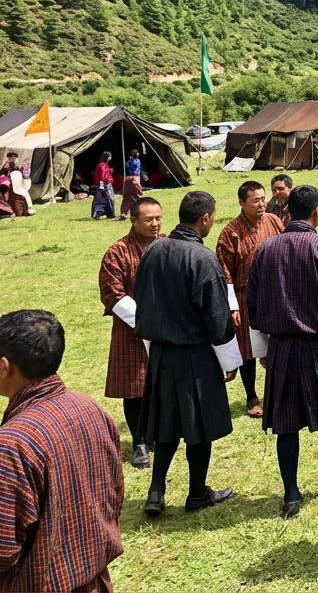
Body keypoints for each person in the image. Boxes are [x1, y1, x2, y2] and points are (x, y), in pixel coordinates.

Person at [245, 185, 318, 518]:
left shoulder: (265, 249)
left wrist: (262, 349)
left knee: (285, 421)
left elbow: (253, 304)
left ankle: (291, 495)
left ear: (287, 212)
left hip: (281, 346)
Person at [134, 191, 242, 516]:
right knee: (200, 424)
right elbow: (217, 316)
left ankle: (156, 491)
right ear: (205, 218)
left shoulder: (153, 250)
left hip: (162, 353)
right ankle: (197, 493)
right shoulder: (203, 257)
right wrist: (230, 360)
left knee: (166, 422)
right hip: (195, 354)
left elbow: (142, 297)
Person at [0, 310, 123, 591]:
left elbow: (3, 551)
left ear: (5, 366)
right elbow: (113, 497)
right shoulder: (90, 409)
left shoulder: (12, 445)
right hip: (94, 581)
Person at [98, 196, 163, 468]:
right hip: (131, 329)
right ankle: (138, 441)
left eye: (158, 218)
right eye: (148, 219)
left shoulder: (168, 245)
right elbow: (112, 292)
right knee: (135, 387)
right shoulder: (118, 252)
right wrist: (145, 321)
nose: (155, 224)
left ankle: (159, 433)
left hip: (166, 328)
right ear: (133, 220)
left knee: (162, 383)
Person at [215, 181, 286, 419]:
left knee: (276, 344)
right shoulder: (231, 232)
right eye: (255, 200)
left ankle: (275, 393)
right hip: (244, 297)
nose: (261, 204)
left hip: (274, 294)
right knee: (248, 349)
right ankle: (251, 396)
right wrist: (232, 305)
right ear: (241, 202)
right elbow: (224, 272)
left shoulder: (274, 221)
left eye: (263, 199)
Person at [119, 149, 143, 218]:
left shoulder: (129, 162)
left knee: (126, 196)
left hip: (127, 178)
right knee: (137, 195)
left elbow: (127, 166)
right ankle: (140, 210)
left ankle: (124, 212)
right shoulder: (138, 161)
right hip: (135, 179)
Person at [92, 152, 116, 220]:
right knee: (109, 199)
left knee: (101, 199)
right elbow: (103, 175)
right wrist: (102, 182)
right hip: (105, 184)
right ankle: (109, 213)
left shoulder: (101, 165)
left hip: (101, 184)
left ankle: (101, 213)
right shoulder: (103, 166)